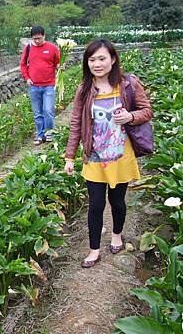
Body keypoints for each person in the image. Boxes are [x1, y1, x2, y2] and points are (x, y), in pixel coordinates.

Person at [64, 38, 153, 268]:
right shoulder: (85, 89)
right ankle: (94, 250)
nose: (97, 64)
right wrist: (70, 156)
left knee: (117, 201)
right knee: (95, 204)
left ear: (113, 60)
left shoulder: (128, 84)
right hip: (94, 157)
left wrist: (130, 117)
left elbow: (146, 111)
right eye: (92, 59)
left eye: (102, 58)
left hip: (120, 155)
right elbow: (76, 123)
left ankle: (116, 235)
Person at [20, 26, 61, 145]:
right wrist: (27, 78)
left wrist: (60, 67)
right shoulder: (28, 48)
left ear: (44, 36)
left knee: (48, 110)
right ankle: (39, 135)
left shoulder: (52, 48)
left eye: (39, 38)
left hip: (49, 84)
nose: (37, 41)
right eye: (34, 39)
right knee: (37, 113)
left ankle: (49, 133)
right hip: (34, 86)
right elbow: (23, 64)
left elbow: (57, 62)